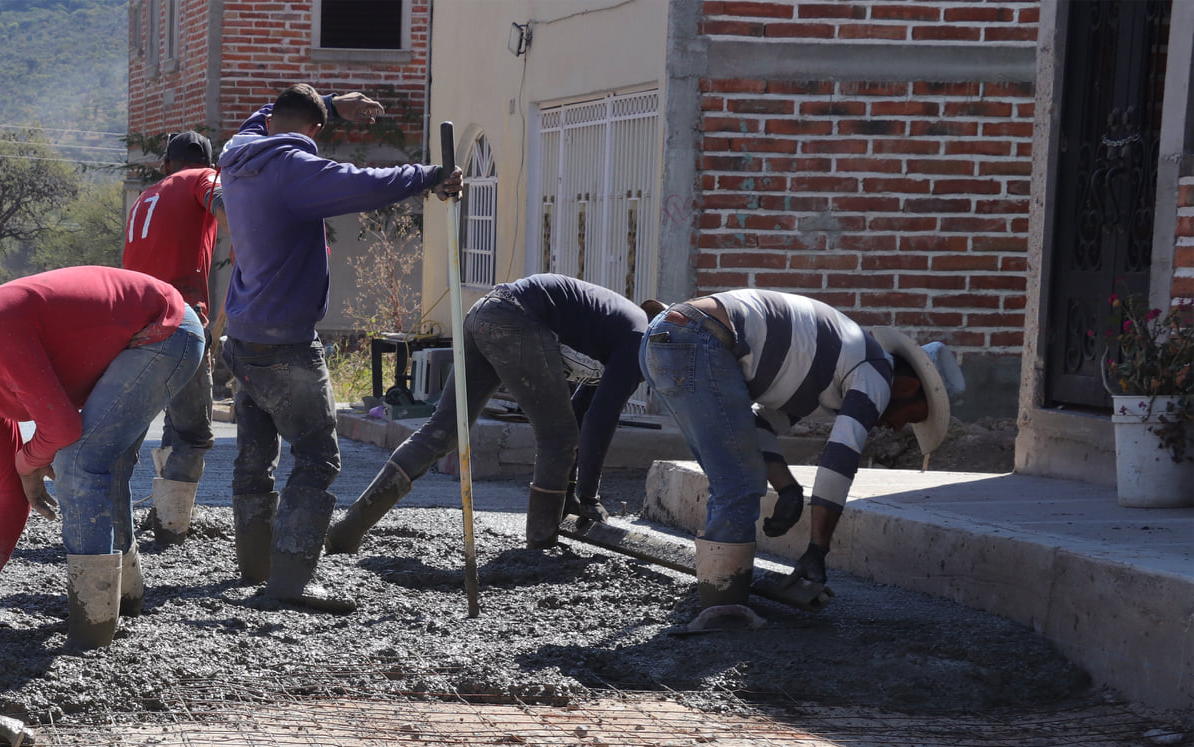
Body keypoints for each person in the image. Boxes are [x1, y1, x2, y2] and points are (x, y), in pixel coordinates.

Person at [218, 83, 462, 612]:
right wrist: (431, 176)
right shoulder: (294, 170)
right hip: (286, 343)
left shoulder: (238, 152)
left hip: (242, 336)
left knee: (254, 457)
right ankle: (290, 583)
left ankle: (255, 566)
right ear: (315, 132)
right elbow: (363, 185)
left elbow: (269, 114)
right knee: (317, 460)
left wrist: (330, 103)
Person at [0, 267, 205, 649]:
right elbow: (12, 488)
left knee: (79, 461)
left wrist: (27, 461)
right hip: (137, 341)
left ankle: (91, 634)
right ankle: (125, 601)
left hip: (164, 330)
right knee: (98, 464)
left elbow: (61, 428)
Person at [639, 290, 962, 609]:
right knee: (738, 482)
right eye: (912, 417)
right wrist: (817, 550)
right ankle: (723, 609)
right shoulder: (876, 372)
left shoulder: (828, 367)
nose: (896, 427)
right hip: (697, 338)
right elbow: (839, 461)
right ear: (909, 387)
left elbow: (759, 428)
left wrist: (788, 489)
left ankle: (719, 594)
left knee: (732, 474)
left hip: (669, 336)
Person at [329, 274, 647, 554]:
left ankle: (349, 529)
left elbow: (581, 412)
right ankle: (540, 548)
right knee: (557, 436)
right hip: (518, 319)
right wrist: (589, 497)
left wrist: (571, 493)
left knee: (443, 429)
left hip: (486, 311)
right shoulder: (641, 344)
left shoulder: (622, 330)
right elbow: (598, 422)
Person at [123, 130, 226, 545]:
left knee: (148, 423)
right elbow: (224, 203)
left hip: (132, 321)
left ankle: (140, 514)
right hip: (178, 317)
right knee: (195, 433)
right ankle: (169, 529)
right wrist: (250, 243)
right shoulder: (202, 178)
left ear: (166, 164)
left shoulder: (144, 197)